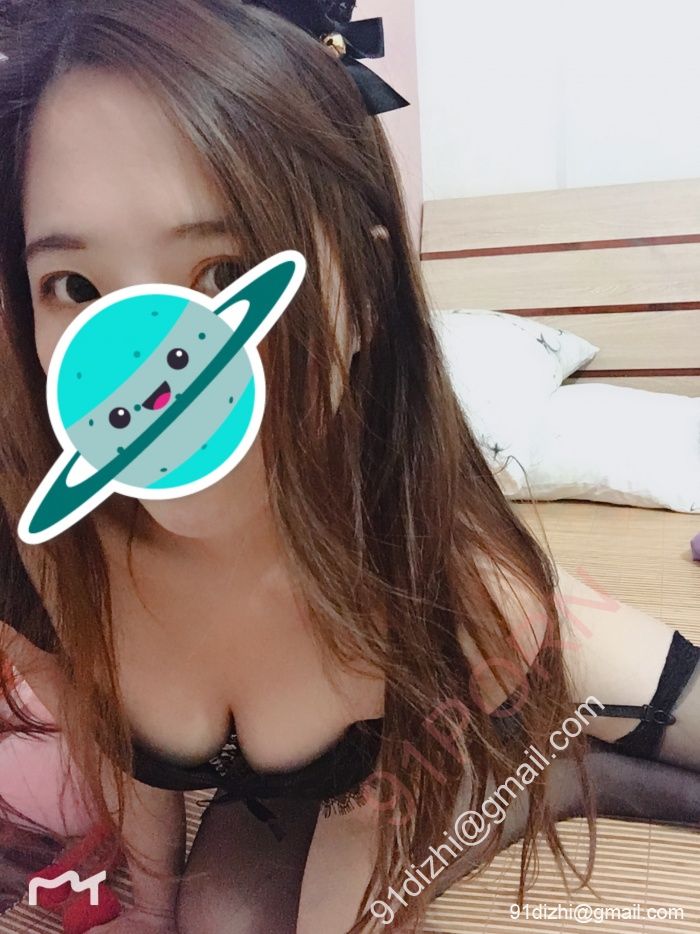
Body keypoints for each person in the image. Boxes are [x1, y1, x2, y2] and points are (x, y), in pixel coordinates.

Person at [0, 1, 698, 932]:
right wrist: (153, 916)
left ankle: (562, 772)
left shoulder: (446, 583)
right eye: (76, 287)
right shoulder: (46, 549)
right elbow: (127, 760)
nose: (146, 368)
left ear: (361, 295)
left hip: (531, 663)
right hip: (325, 766)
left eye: (225, 275)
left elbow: (374, 821)